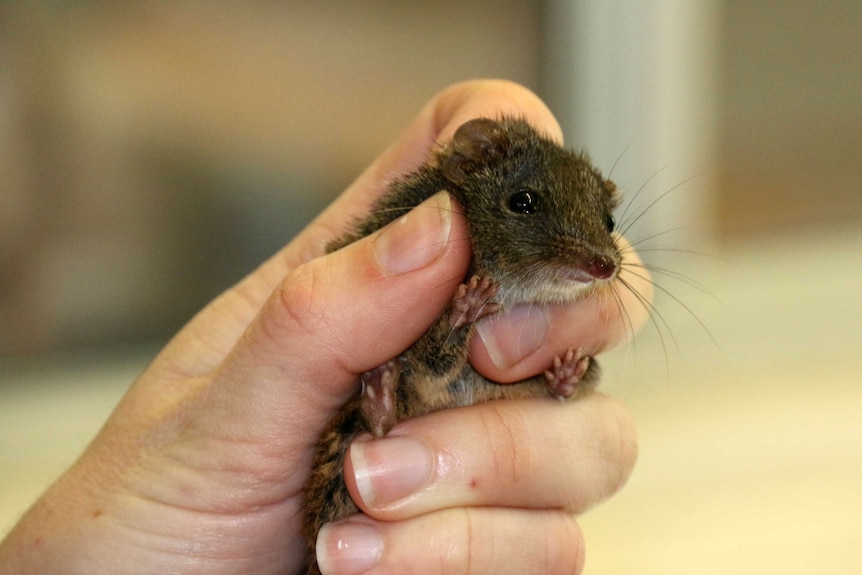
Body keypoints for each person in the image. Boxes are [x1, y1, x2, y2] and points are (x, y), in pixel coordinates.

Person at [0, 80, 647, 575]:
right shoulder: (425, 255)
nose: (593, 255)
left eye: (603, 230)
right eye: (525, 206)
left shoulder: (521, 310)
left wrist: (569, 373)